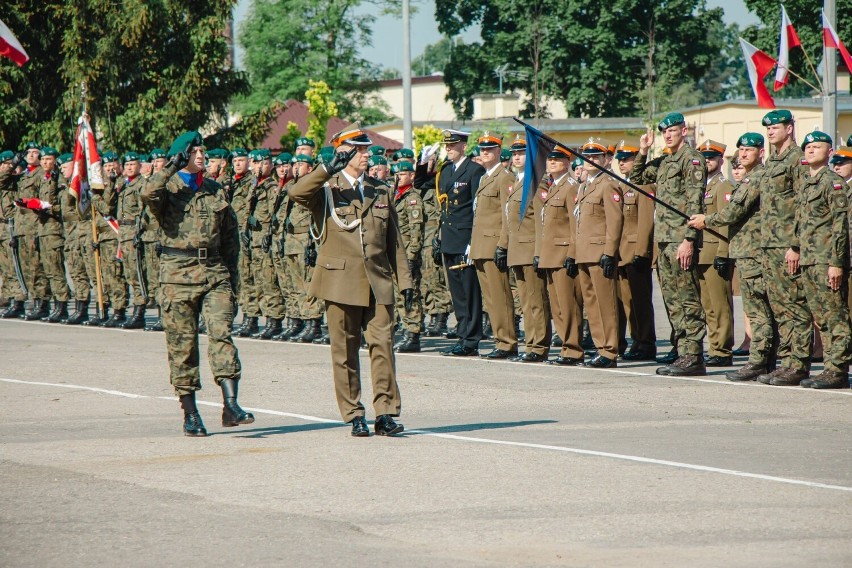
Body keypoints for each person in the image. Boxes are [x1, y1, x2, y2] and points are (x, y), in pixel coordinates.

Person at [289, 124, 414, 437]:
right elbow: (296, 192)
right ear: (344, 151)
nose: (366, 155)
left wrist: (406, 284)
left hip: (378, 281)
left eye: (366, 149)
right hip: (340, 281)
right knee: (344, 351)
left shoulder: (380, 189)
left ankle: (385, 412)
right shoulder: (326, 188)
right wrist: (327, 167)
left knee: (383, 347)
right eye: (359, 150)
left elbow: (394, 242)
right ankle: (354, 412)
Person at [141, 130, 252, 437]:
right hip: (177, 275)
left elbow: (231, 239)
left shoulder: (216, 190)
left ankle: (232, 405)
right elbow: (148, 194)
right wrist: (168, 167)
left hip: (214, 271)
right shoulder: (168, 188)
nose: (202, 156)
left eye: (203, 151)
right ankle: (190, 413)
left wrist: (234, 283)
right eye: (194, 151)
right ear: (182, 156)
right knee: (182, 345)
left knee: (222, 333)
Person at [689, 133, 776, 382]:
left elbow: (733, 211)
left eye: (749, 150)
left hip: (754, 251)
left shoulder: (756, 177)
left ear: (761, 152)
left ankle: (760, 361)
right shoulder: (749, 178)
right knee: (757, 308)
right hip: (747, 250)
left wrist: (706, 220)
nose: (743, 154)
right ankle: (764, 361)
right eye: (741, 150)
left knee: (759, 310)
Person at [632, 112, 707, 376]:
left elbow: (696, 202)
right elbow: (637, 177)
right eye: (665, 132)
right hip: (663, 239)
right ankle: (682, 350)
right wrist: (642, 150)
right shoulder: (665, 161)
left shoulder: (693, 160)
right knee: (672, 298)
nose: (668, 135)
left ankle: (694, 354)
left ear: (683, 131)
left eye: (673, 130)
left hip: (680, 238)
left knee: (687, 297)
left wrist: (689, 240)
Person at [753, 110, 812, 386]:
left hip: (787, 245)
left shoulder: (796, 159)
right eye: (768, 128)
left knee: (795, 305)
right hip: (769, 245)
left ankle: (798, 363)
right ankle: (786, 362)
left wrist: (796, 245)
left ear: (790, 128)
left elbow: (802, 203)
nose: (770, 131)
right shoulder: (771, 161)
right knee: (779, 307)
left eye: (775, 127)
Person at [793, 131, 850, 389]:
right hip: (808, 259)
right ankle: (828, 367)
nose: (811, 150)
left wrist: (837, 262)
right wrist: (794, 248)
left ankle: (837, 369)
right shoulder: (806, 182)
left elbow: (841, 226)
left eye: (817, 147)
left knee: (835, 315)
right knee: (821, 317)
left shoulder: (833, 183)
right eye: (808, 147)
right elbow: (801, 222)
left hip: (827, 260)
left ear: (829, 152)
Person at [424, 129, 486, 356]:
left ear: (463, 146)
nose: (448, 149)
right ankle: (463, 335)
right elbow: (423, 185)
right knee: (457, 293)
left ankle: (471, 340)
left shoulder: (475, 170)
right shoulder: (446, 170)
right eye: (446, 146)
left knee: (470, 293)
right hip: (449, 238)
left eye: (452, 145)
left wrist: (473, 242)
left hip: (465, 239)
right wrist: (423, 164)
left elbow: (477, 209)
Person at [572, 140, 624, 367]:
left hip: (600, 253)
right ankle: (600, 346)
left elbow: (615, 221)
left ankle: (610, 350)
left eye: (595, 157)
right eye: (586, 156)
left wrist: (609, 252)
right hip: (584, 253)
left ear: (605, 159)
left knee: (606, 304)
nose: (590, 160)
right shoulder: (584, 185)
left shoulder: (608, 184)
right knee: (591, 304)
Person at [504, 134, 551, 362]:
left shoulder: (536, 182)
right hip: (516, 251)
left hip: (531, 249)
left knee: (536, 302)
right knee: (525, 303)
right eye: (513, 154)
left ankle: (539, 346)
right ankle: (531, 344)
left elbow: (541, 221)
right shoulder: (517, 181)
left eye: (521, 153)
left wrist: (538, 251)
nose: (516, 157)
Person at [471, 132, 518, 359]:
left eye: (490, 149)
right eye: (482, 149)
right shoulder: (484, 177)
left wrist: (503, 244)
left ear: (499, 152)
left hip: (493, 245)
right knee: (490, 299)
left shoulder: (504, 177)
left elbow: (507, 214)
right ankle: (500, 339)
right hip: (481, 245)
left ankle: (508, 341)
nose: (485, 152)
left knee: (500, 296)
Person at [539, 146, 585, 365]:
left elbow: (575, 223)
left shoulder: (570, 187)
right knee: (557, 306)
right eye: (550, 159)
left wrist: (572, 254)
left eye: (558, 159)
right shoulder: (554, 186)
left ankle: (573, 349)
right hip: (550, 253)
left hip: (563, 253)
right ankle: (566, 345)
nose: (552, 163)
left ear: (568, 163)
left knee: (568, 305)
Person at [613, 142, 656, 360]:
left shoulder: (644, 186)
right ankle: (636, 340)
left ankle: (646, 342)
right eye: (619, 159)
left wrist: (642, 252)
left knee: (640, 300)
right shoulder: (619, 185)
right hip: (620, 251)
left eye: (627, 159)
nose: (622, 162)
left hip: (635, 252)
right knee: (626, 301)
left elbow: (646, 221)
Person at [696, 140, 735, 366]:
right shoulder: (702, 185)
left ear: (721, 160)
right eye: (704, 158)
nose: (707, 161)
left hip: (715, 251)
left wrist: (723, 252)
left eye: (712, 157)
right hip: (701, 252)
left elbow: (726, 221)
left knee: (720, 306)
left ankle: (722, 351)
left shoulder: (723, 186)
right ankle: (715, 347)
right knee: (708, 306)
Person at [391, 161, 425, 353]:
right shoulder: (396, 196)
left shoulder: (413, 199)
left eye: (402, 174)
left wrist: (412, 256)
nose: (398, 178)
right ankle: (403, 330)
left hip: (406, 254)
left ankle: (412, 335)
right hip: (395, 252)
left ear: (412, 176)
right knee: (397, 294)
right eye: (396, 174)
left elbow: (416, 230)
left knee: (409, 294)